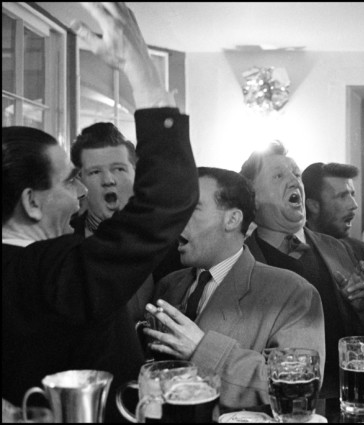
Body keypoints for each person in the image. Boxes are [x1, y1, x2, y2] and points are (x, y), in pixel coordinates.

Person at [2, 2, 198, 422]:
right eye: (70, 180)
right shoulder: (50, 272)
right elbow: (167, 198)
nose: (80, 193)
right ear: (31, 202)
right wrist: (143, 74)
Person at [143, 167, 325, 409]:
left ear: (232, 219)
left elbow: (298, 389)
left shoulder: (293, 294)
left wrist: (201, 349)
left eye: (193, 208)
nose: (177, 219)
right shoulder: (168, 286)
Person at [240, 141, 364, 398]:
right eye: (278, 176)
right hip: (277, 402)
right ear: (253, 197)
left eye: (296, 174)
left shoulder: (338, 249)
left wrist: (363, 308)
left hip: (343, 400)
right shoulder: (242, 262)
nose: (294, 181)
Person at [70, 123, 167, 321]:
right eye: (95, 171)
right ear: (80, 179)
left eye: (119, 169)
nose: (109, 180)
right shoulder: (62, 242)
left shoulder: (168, 239)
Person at [302, 162, 364, 291]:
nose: (354, 205)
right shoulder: (297, 254)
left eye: (352, 194)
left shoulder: (362, 251)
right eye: (342, 196)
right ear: (313, 205)